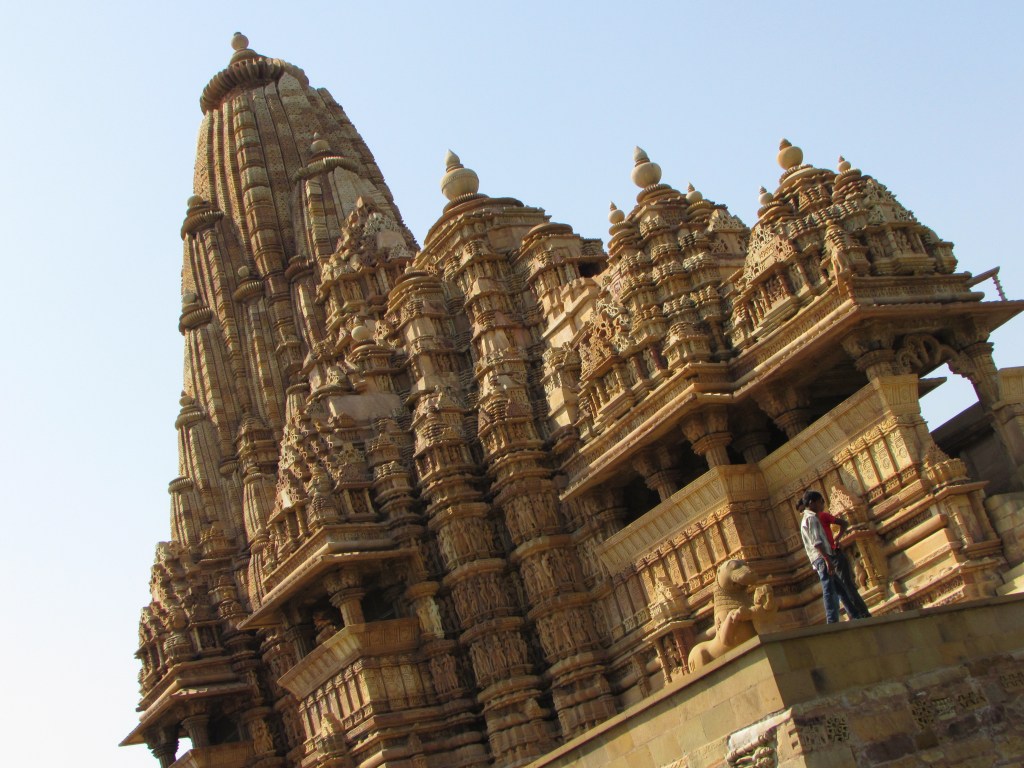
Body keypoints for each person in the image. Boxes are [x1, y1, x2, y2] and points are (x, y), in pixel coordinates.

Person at [798, 490, 870, 623]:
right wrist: (827, 560)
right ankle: (832, 620)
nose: (822, 505)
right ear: (812, 503)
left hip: (823, 556)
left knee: (840, 588)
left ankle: (855, 614)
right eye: (820, 502)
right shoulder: (812, 518)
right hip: (822, 558)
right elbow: (817, 542)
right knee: (829, 588)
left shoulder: (808, 519)